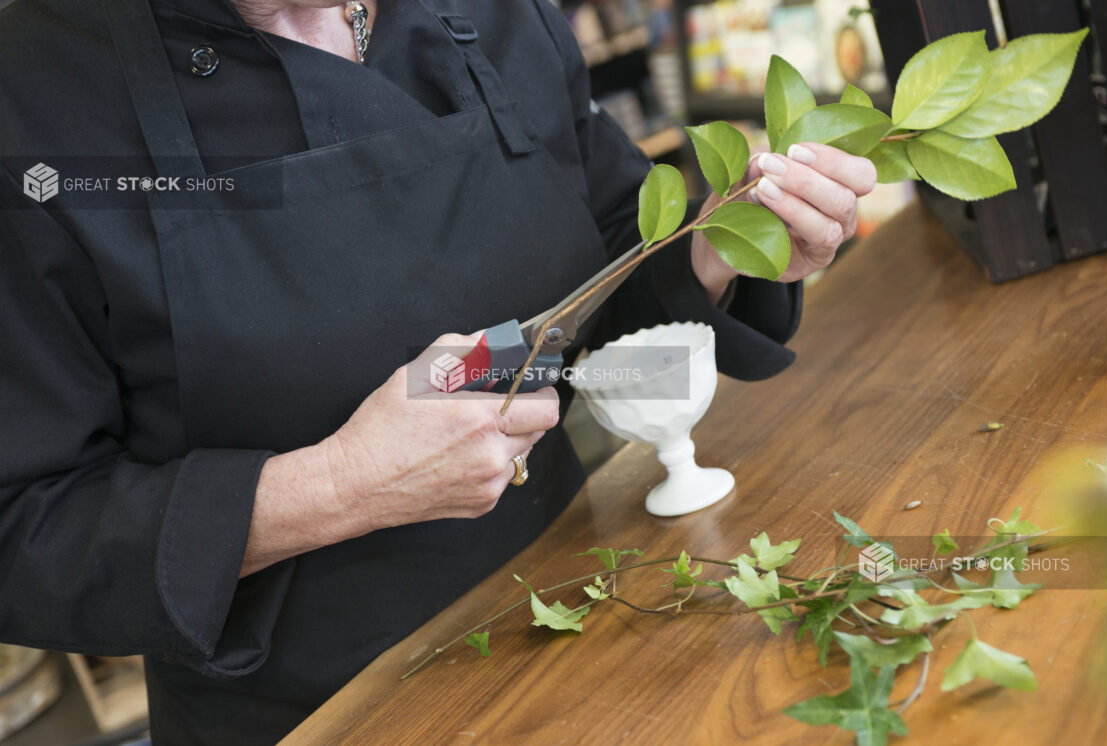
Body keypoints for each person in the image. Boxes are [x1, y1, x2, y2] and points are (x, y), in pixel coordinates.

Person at [0, 0, 876, 742]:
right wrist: (338, 486)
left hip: (602, 610)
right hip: (323, 711)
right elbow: (21, 531)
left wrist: (730, 248)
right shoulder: (32, 96)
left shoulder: (490, 14)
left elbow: (605, 273)